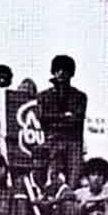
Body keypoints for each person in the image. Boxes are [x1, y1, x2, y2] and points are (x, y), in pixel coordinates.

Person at [38, 55, 88, 188]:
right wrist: (65, 116)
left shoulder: (80, 97)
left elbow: (76, 120)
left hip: (73, 143)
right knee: (51, 181)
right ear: (53, 71)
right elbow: (42, 119)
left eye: (65, 70)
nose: (60, 73)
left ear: (71, 73)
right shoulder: (43, 96)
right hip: (52, 142)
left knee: (73, 183)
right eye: (57, 69)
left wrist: (54, 119)